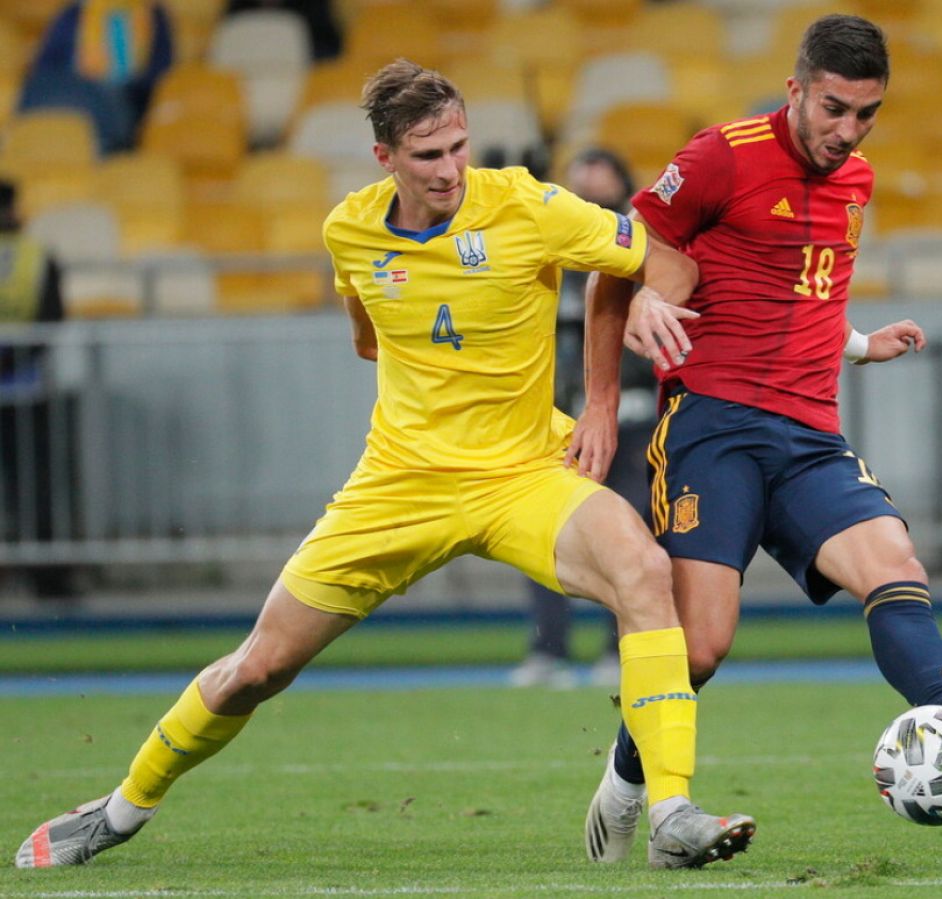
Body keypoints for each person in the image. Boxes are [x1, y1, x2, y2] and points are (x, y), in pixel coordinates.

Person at [14, 59, 755, 872]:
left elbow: (660, 260)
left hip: (523, 473)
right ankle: (118, 809)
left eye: (459, 147)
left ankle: (669, 809)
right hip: (398, 486)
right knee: (255, 669)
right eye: (428, 155)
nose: (450, 169)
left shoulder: (529, 205)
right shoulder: (350, 230)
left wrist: (621, 358)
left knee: (643, 571)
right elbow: (367, 333)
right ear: (385, 158)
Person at [575, 14, 942, 865]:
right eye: (834, 108)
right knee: (702, 646)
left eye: (865, 114)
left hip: (807, 435)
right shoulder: (721, 155)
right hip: (712, 426)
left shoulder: (857, 180)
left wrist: (863, 345)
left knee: (895, 563)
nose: (847, 131)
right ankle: (625, 778)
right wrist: (603, 402)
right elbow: (614, 262)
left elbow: (795, 296)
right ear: (796, 89)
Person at [509, 148, 647, 690]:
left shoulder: (640, 250)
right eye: (579, 179)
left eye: (601, 175)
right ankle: (548, 648)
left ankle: (621, 648)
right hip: (563, 419)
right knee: (547, 535)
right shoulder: (553, 250)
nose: (589, 185)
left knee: (632, 533)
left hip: (634, 417)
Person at [0, 178, 75, 600]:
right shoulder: (34, 257)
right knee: (34, 485)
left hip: (25, 390)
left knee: (33, 486)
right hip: (26, 388)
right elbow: (52, 317)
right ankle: (47, 580)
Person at [21, 0, 175, 153]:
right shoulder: (75, 13)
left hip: (123, 105)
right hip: (73, 97)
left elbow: (159, 77)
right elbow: (46, 67)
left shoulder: (153, 17)